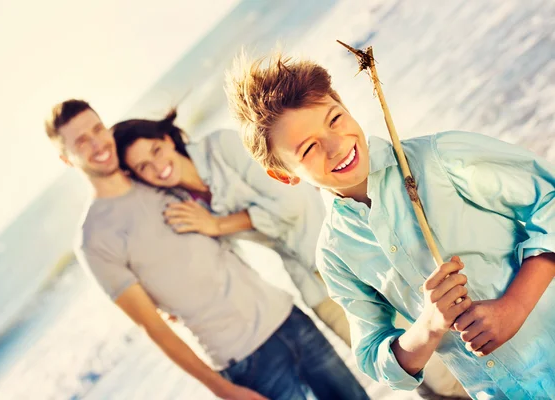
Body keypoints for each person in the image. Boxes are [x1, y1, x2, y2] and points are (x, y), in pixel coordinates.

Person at [225, 53, 555, 399]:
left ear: (345, 105)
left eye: (334, 119)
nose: (336, 146)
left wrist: (515, 305)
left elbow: (549, 200)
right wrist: (428, 326)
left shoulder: (439, 157)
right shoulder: (336, 252)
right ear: (283, 175)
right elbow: (373, 356)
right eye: (309, 148)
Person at [43, 99, 369, 400]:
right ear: (64, 158)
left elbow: (221, 226)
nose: (96, 143)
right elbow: (153, 326)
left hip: (287, 317)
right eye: (80, 141)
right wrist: (223, 390)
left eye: (97, 129)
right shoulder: (94, 240)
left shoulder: (159, 180)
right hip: (245, 360)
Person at [111, 109, 350, 344]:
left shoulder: (222, 146)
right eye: (143, 167)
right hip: (313, 285)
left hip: (347, 252)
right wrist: (166, 302)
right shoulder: (181, 205)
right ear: (137, 177)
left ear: (166, 140)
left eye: (156, 151)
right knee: (381, 365)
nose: (157, 166)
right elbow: (204, 262)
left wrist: (217, 225)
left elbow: (291, 204)